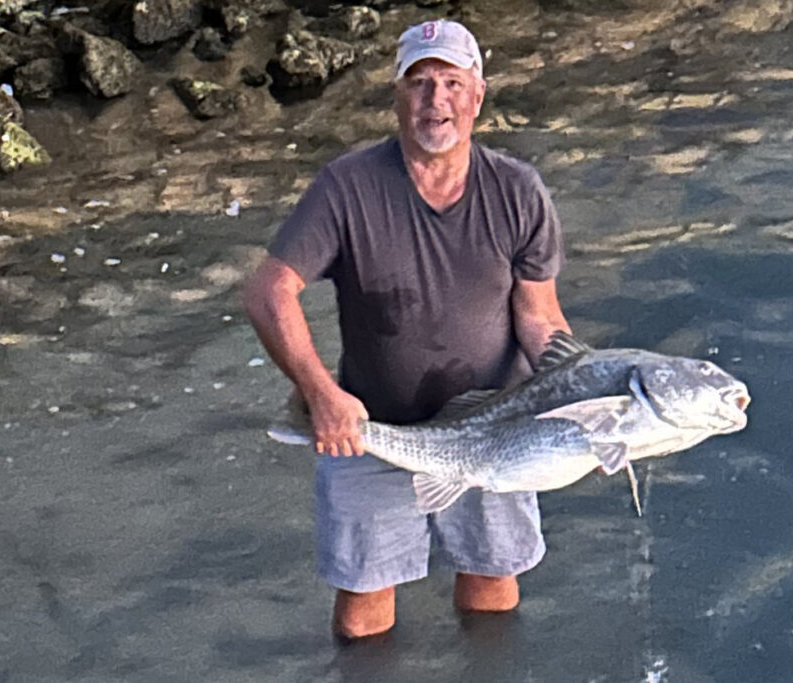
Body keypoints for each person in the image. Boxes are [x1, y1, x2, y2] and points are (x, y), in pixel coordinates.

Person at [244, 19, 571, 639]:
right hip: (372, 425)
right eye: (419, 83)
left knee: (493, 582)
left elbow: (538, 318)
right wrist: (320, 394)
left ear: (478, 96)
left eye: (452, 82)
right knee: (364, 609)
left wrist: (584, 409)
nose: (436, 101)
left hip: (496, 425)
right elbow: (268, 289)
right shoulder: (347, 187)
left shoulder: (520, 190)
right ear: (396, 95)